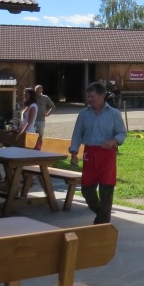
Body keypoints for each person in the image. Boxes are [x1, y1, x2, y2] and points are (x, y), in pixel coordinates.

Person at [70, 81, 127, 224]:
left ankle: (102, 224)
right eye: (88, 96)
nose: (89, 99)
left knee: (106, 190)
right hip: (90, 154)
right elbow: (77, 134)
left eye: (92, 96)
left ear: (102, 96)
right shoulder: (84, 114)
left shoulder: (114, 114)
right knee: (87, 190)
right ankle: (103, 217)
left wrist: (113, 140)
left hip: (107, 155)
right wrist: (74, 153)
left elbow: (122, 133)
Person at [33, 84, 56, 150]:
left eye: (39, 92)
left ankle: (39, 148)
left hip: (41, 120)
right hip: (33, 119)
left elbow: (53, 106)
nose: (37, 94)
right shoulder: (33, 98)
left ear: (42, 91)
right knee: (32, 135)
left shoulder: (45, 98)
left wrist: (48, 114)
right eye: (36, 92)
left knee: (40, 135)